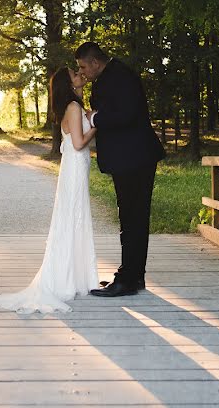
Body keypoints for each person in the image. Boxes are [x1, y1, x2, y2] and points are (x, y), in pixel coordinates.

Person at [0, 67, 99, 313]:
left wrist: (91, 117)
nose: (80, 75)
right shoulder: (73, 107)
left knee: (73, 217)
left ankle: (77, 276)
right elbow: (79, 143)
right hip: (76, 166)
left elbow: (78, 131)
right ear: (68, 85)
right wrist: (97, 125)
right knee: (74, 217)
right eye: (74, 75)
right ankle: (72, 278)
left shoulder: (72, 106)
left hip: (74, 167)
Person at [75, 42, 165, 297]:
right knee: (131, 218)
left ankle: (128, 279)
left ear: (95, 62)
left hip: (135, 158)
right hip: (130, 158)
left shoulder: (120, 75)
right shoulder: (110, 76)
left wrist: (94, 118)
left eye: (83, 66)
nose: (82, 72)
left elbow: (124, 114)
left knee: (133, 218)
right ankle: (133, 277)